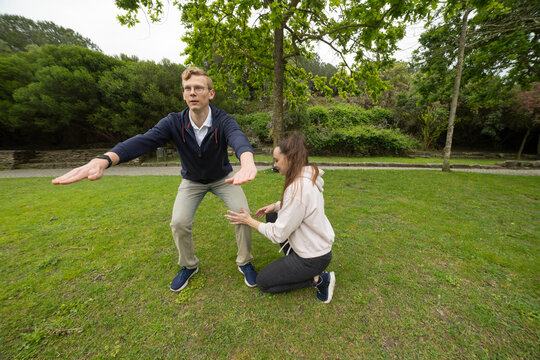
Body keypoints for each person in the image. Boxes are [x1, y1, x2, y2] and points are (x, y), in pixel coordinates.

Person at [52, 66, 258, 292]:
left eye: (198, 88)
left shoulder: (223, 120)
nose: (192, 93)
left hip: (223, 178)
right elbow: (143, 141)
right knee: (178, 223)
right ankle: (189, 266)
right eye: (187, 89)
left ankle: (244, 261)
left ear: (211, 93)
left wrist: (246, 160)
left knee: (243, 213)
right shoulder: (173, 122)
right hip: (192, 181)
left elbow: (237, 137)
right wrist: (105, 159)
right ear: (183, 94)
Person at [225, 132, 336, 303]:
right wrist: (276, 206)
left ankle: (320, 280)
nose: (275, 165)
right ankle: (296, 264)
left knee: (264, 282)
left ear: (290, 158)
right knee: (272, 215)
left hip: (312, 258)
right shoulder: (307, 177)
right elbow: (300, 206)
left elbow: (278, 234)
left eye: (277, 160)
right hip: (318, 250)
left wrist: (249, 221)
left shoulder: (298, 188)